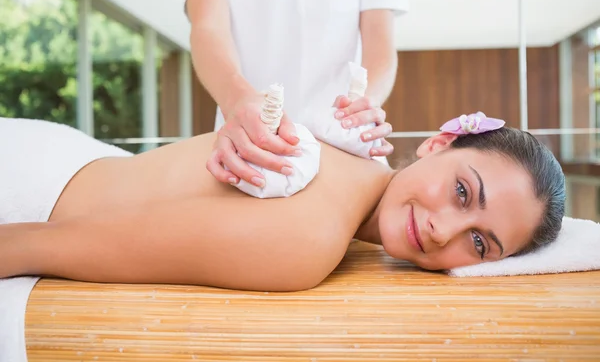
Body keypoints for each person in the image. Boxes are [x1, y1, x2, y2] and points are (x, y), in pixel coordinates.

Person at [0, 113, 565, 292]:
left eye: (479, 242)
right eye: (463, 192)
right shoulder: (307, 239)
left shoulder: (342, 154)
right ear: (438, 144)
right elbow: (30, 243)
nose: (444, 229)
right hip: (29, 186)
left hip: (63, 153)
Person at [181, 0, 410, 188]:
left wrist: (363, 107)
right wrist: (238, 99)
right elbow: (208, 27)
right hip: (249, 143)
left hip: (343, 144)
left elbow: (380, 46)